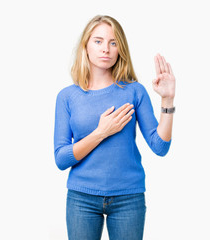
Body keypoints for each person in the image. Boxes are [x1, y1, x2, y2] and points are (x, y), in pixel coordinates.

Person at [54, 14, 176, 240]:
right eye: (98, 41)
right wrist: (101, 132)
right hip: (81, 198)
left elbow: (160, 147)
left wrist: (167, 100)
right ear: (86, 46)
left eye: (113, 42)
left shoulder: (134, 91)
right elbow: (61, 158)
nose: (106, 49)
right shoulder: (67, 97)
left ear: (120, 48)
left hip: (128, 198)